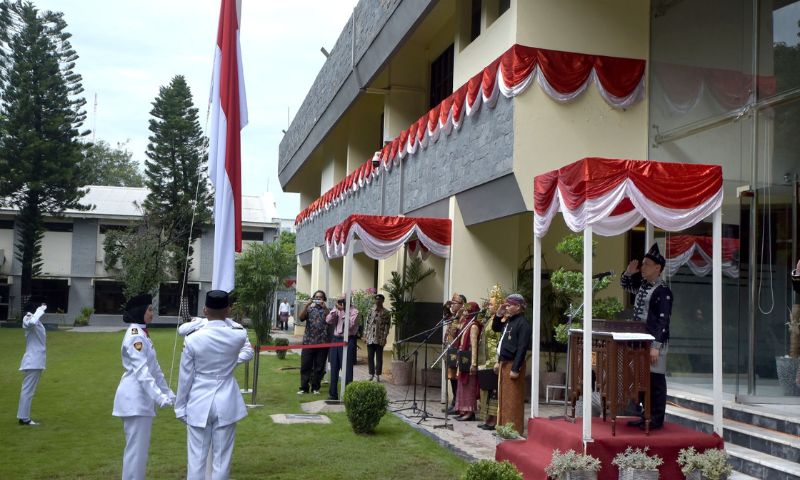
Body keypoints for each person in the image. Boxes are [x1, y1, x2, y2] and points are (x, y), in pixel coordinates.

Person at [174, 290, 254, 480]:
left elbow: (185, 376)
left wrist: (180, 407)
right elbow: (244, 349)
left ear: (204, 310)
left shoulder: (193, 338)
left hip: (199, 399)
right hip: (226, 399)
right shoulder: (238, 335)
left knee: (196, 461)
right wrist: (229, 364)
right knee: (221, 461)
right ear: (228, 310)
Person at [112, 294, 175, 480]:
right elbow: (142, 372)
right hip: (135, 400)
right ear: (139, 311)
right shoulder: (135, 336)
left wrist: (168, 392)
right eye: (149, 309)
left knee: (139, 452)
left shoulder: (143, 334)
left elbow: (155, 370)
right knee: (136, 453)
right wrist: (159, 397)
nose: (152, 313)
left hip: (141, 400)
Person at [620, 243, 673, 430]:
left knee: (656, 380)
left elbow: (663, 321)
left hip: (653, 342)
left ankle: (656, 418)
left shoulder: (663, 291)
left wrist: (656, 346)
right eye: (643, 264)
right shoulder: (643, 286)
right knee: (643, 379)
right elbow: (626, 285)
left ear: (657, 268)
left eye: (647, 264)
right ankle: (645, 414)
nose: (643, 267)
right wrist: (628, 272)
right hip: (640, 341)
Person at [492, 293, 532, 436]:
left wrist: (515, 368)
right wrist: (498, 314)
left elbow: (522, 348)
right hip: (504, 363)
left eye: (509, 305)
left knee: (512, 400)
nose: (507, 307)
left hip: (513, 365)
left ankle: (513, 430)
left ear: (518, 306)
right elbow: (495, 328)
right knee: (503, 399)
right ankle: (502, 427)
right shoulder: (509, 321)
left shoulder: (523, 324)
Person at [477, 285, 504, 430]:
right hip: (485, 360)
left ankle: (493, 420)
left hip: (494, 360)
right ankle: (487, 418)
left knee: (493, 391)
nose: (489, 306)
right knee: (485, 390)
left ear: (499, 306)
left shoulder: (500, 321)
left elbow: (501, 340)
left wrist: (498, 361)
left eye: (492, 304)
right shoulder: (489, 319)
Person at [17, 296, 48, 426]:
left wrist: (39, 312)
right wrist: (40, 310)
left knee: (29, 390)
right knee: (28, 390)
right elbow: (31, 322)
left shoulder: (35, 320)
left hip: (36, 361)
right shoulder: (28, 318)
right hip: (33, 361)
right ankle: (24, 418)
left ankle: (23, 416)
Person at [326, 295, 359, 400]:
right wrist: (335, 310)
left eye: (343, 301)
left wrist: (344, 311)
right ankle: (333, 394)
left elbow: (350, 325)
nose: (341, 302)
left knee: (347, 369)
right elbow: (328, 321)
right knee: (334, 367)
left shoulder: (355, 311)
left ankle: (348, 394)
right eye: (340, 301)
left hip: (348, 340)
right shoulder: (337, 310)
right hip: (336, 339)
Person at [297, 290, 330, 395]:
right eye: (316, 297)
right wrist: (306, 306)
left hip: (322, 342)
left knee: (319, 367)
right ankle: (304, 388)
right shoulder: (310, 309)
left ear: (324, 299)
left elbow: (331, 319)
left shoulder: (326, 310)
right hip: (308, 342)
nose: (318, 299)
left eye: (320, 297)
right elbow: (301, 318)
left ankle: (316, 388)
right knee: (305, 366)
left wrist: (325, 307)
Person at [455, 302, 482, 421]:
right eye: (464, 310)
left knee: (468, 387)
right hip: (463, 359)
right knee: (462, 386)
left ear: (472, 312)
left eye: (467, 311)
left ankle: (469, 412)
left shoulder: (474, 326)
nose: (465, 313)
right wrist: (458, 314)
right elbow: (455, 326)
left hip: (469, 361)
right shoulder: (466, 324)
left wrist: (474, 363)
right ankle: (463, 409)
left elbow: (474, 346)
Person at [443, 293, 467, 413]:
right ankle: (454, 402)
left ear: (462, 305)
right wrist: (446, 307)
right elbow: (446, 317)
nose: (452, 305)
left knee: (456, 378)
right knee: (451, 377)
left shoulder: (463, 316)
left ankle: (457, 403)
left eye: (455, 303)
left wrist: (456, 316)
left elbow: (457, 330)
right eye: (451, 302)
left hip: (457, 351)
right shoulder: (454, 315)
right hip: (450, 349)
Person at [364, 293, 391, 382]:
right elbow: (367, 324)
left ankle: (378, 375)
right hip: (370, 338)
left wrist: (384, 338)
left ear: (383, 301)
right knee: (370, 357)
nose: (377, 301)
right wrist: (365, 336)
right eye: (376, 299)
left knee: (379, 358)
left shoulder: (386, 313)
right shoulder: (370, 310)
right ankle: (371, 374)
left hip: (380, 339)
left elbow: (387, 327)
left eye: (379, 299)